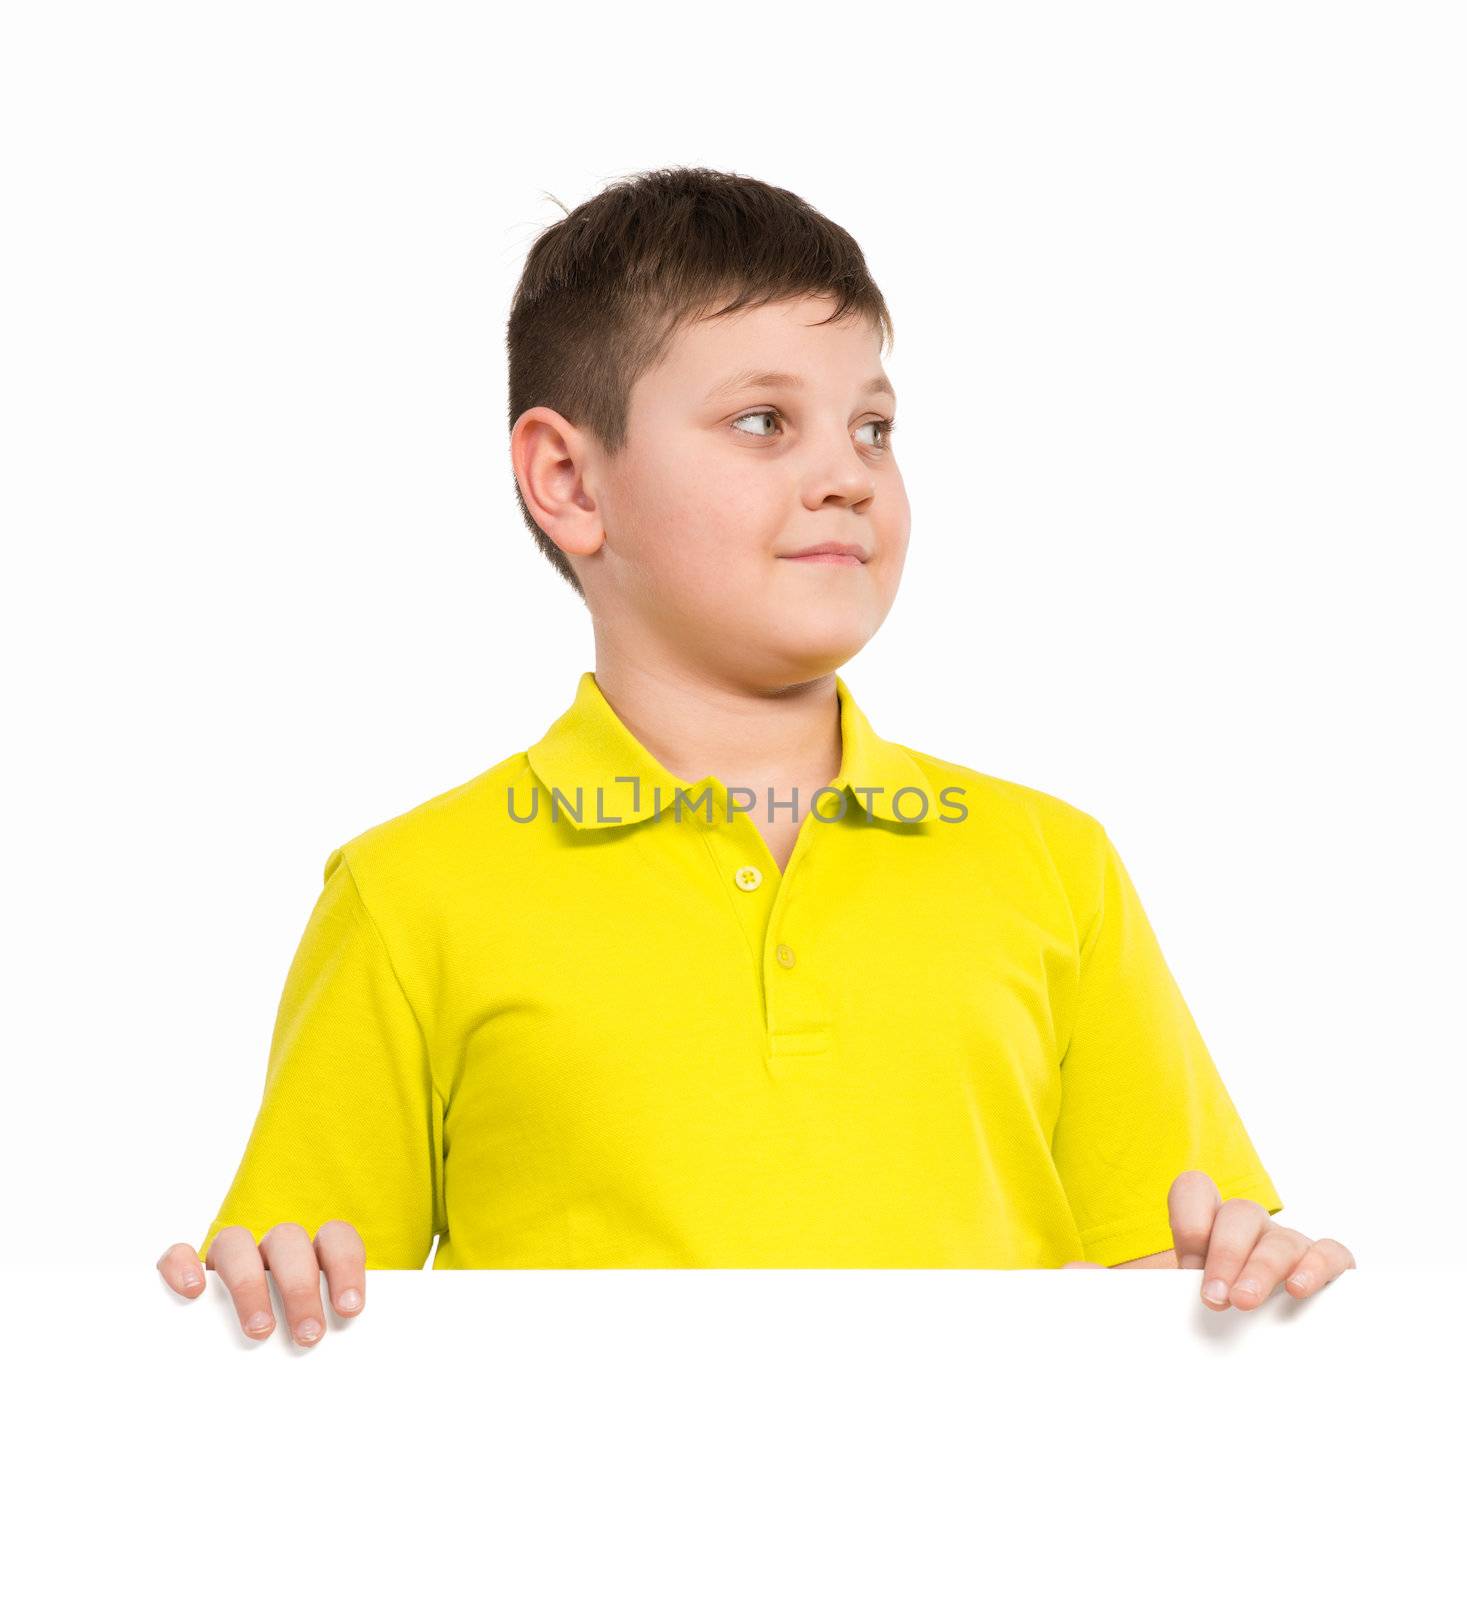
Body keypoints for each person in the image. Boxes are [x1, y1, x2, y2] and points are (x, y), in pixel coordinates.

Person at [156, 166, 1354, 1345]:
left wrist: (1240, 1287)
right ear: (568, 480)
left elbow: (1163, 1290)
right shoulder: (406, 896)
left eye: (873, 428)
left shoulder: (1053, 865)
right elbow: (303, 1316)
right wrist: (258, 1295)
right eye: (762, 422)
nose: (846, 476)